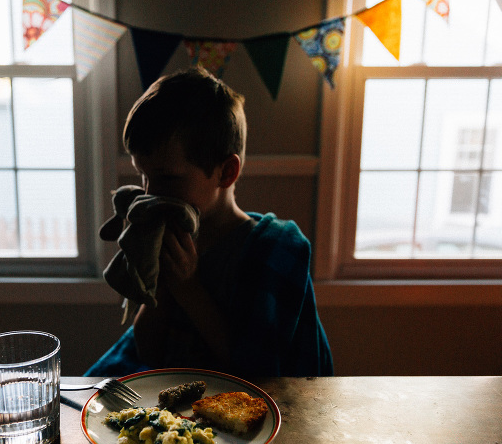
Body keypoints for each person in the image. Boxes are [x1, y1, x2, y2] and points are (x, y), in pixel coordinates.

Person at [85, 67, 333, 378]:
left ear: (227, 172)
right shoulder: (164, 234)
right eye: (143, 176)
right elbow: (147, 352)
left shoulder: (274, 250)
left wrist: (188, 287)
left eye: (167, 178)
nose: (150, 193)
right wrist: (162, 285)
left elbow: (261, 370)